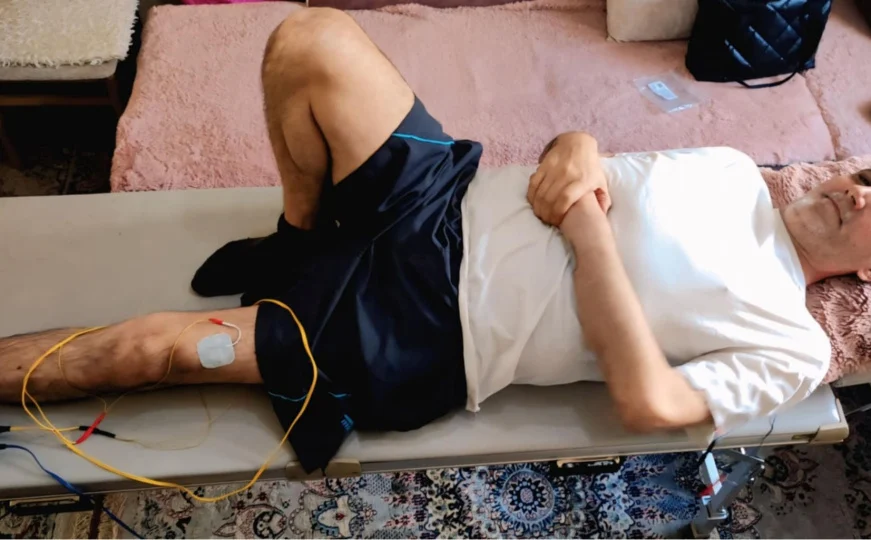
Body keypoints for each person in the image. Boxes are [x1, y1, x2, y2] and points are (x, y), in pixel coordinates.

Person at [1, 8, 869, 474]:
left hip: (423, 329)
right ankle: (299, 238)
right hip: (435, 198)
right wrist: (576, 144)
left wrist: (585, 228)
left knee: (150, 350)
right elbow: (581, 164)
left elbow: (651, 404)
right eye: (865, 173)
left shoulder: (789, 346)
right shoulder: (727, 166)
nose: (855, 188)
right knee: (312, 40)